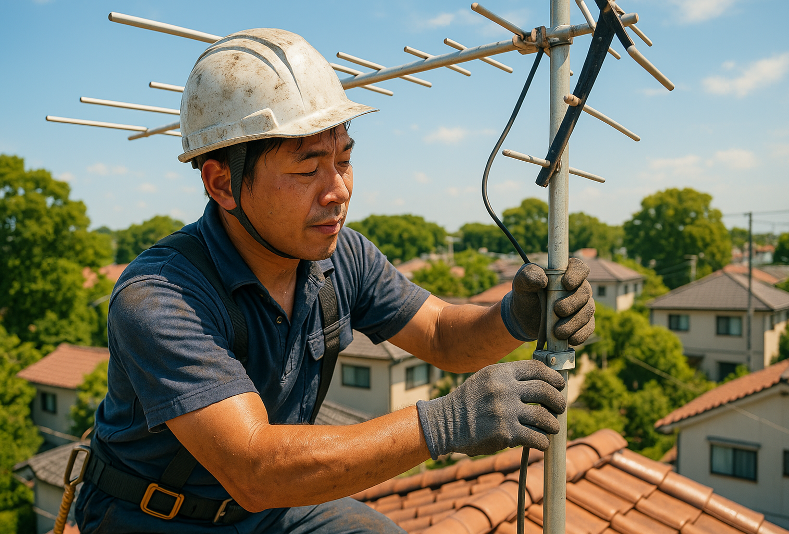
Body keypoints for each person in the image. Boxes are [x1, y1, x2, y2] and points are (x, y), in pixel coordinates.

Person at [75, 28, 595, 533]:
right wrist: (446, 423)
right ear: (222, 183)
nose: (338, 191)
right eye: (307, 170)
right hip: (155, 515)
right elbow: (255, 467)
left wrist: (514, 317)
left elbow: (439, 334)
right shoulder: (161, 296)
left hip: (273, 509)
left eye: (344, 161)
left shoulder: (338, 255)